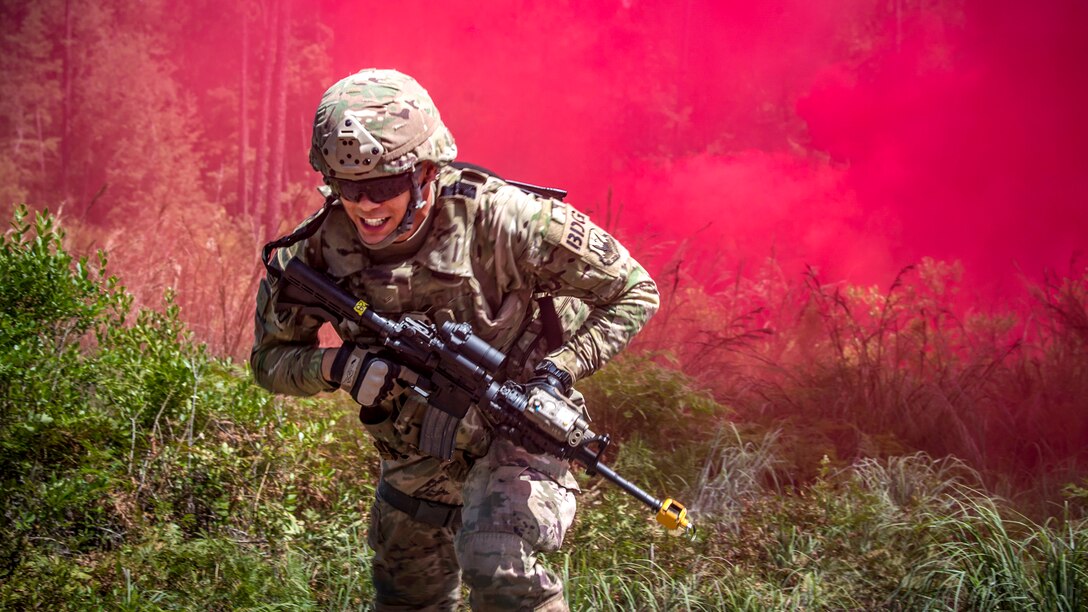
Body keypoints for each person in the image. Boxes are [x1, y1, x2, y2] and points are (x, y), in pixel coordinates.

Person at [252, 68, 659, 611]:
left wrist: (560, 369)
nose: (366, 206)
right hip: (416, 446)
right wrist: (337, 367)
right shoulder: (317, 253)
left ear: (425, 171)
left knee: (496, 562)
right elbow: (270, 361)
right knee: (406, 594)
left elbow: (634, 290)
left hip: (518, 426)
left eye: (384, 185)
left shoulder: (506, 220)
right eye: (349, 187)